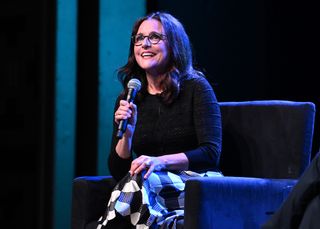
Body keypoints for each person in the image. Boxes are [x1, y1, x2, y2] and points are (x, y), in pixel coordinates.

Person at [97, 11, 222, 229]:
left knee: (139, 185)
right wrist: (127, 135)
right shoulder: (130, 96)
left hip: (196, 181)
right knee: (136, 185)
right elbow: (119, 172)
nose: (144, 44)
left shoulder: (196, 88)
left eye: (154, 37)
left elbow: (210, 153)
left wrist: (158, 161)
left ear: (174, 45)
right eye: (139, 38)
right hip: (148, 185)